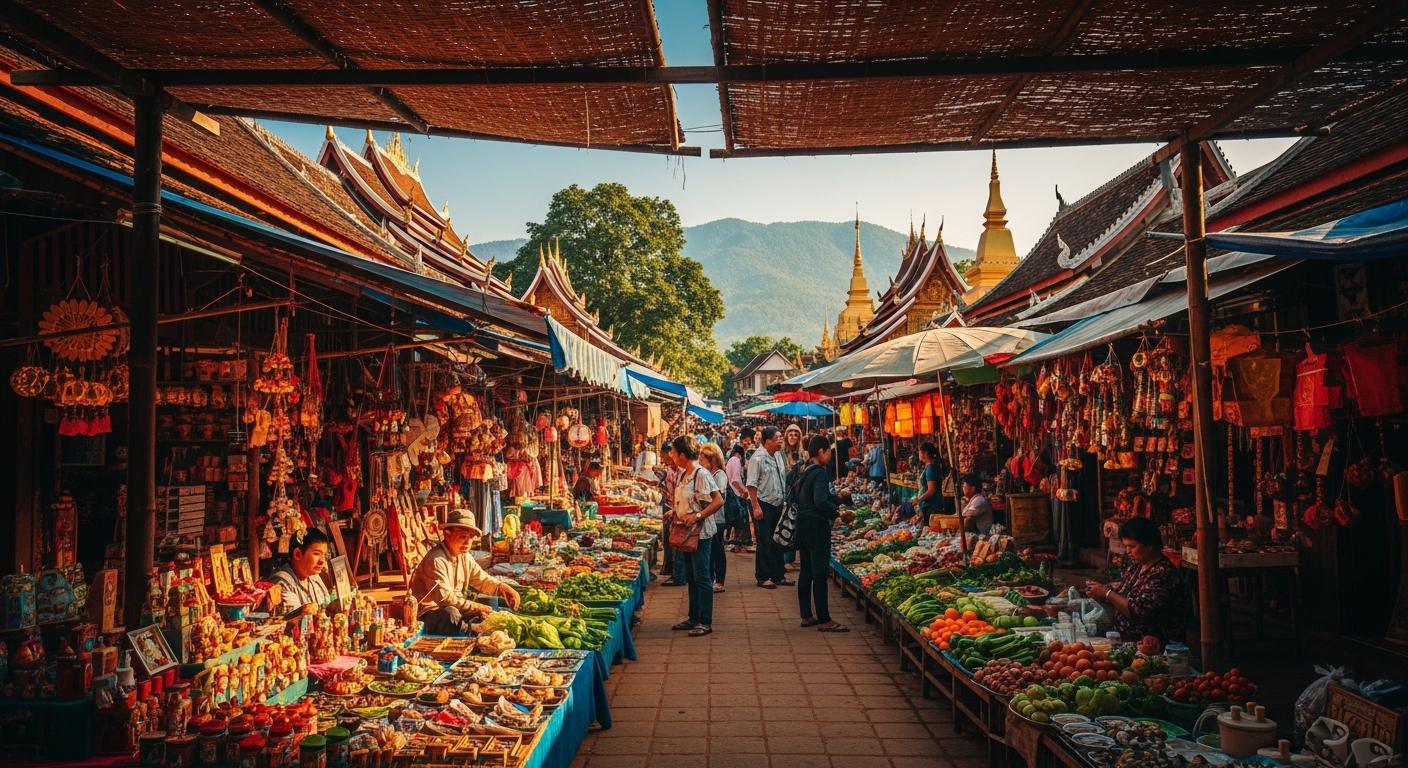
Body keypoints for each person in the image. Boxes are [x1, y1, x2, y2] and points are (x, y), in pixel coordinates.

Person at [409, 510, 521, 635]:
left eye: (470, 537)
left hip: (456, 609)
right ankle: (468, 632)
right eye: (462, 537)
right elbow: (446, 600)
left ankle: (470, 630)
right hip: (431, 616)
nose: (467, 542)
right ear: (447, 534)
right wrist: (477, 607)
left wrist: (502, 587)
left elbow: (482, 580)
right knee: (451, 613)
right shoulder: (436, 560)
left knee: (489, 606)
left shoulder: (464, 556)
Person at [1085, 517, 1185, 645]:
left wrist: (1107, 593)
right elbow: (1122, 592)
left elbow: (1138, 612)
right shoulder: (1137, 567)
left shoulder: (1162, 574)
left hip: (1153, 647)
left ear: (1149, 545)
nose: (1128, 552)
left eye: (1132, 546)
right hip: (1126, 640)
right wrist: (1098, 591)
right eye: (1126, 546)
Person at [793, 435, 850, 632]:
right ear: (821, 452)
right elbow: (819, 500)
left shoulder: (804, 469)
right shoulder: (820, 473)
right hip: (816, 527)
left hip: (802, 525)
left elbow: (814, 496)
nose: (830, 456)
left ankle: (806, 616)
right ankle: (825, 620)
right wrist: (837, 514)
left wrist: (838, 500)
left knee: (806, 571)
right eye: (828, 452)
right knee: (819, 574)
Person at [668, 436, 723, 637]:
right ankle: (694, 616)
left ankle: (705, 620)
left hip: (700, 534)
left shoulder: (701, 474)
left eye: (673, 452)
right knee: (691, 577)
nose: (671, 455)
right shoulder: (684, 475)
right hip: (686, 534)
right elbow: (687, 503)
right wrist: (675, 513)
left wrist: (698, 516)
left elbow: (718, 501)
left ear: (682, 454)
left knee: (702, 577)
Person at [746, 426, 791, 589]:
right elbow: (751, 485)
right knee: (764, 541)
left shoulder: (778, 455)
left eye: (781, 438)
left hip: (778, 503)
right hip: (764, 504)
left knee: (778, 540)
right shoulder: (757, 459)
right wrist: (755, 506)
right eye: (777, 438)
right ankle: (763, 576)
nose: (780, 441)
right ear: (767, 441)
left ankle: (778, 574)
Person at [270, 528, 332, 615]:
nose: (322, 560)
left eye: (324, 555)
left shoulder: (314, 577)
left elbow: (326, 606)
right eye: (317, 554)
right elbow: (294, 620)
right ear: (297, 554)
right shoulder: (282, 582)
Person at [700, 442, 730, 593]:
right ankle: (712, 578)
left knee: (718, 551)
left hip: (718, 518)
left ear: (713, 459)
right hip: (710, 518)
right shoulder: (709, 474)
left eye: (703, 458)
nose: (701, 462)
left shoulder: (720, 475)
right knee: (711, 551)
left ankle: (720, 581)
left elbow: (718, 497)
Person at [907, 443, 947, 526]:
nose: (918, 454)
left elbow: (931, 490)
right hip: (927, 505)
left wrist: (919, 499)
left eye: (919, 452)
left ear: (925, 453)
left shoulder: (931, 468)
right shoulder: (929, 467)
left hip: (932, 506)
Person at [725, 443, 752, 552]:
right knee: (740, 521)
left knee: (735, 521)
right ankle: (738, 545)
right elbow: (735, 480)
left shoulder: (730, 460)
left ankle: (736, 545)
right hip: (736, 494)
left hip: (733, 493)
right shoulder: (736, 460)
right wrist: (743, 491)